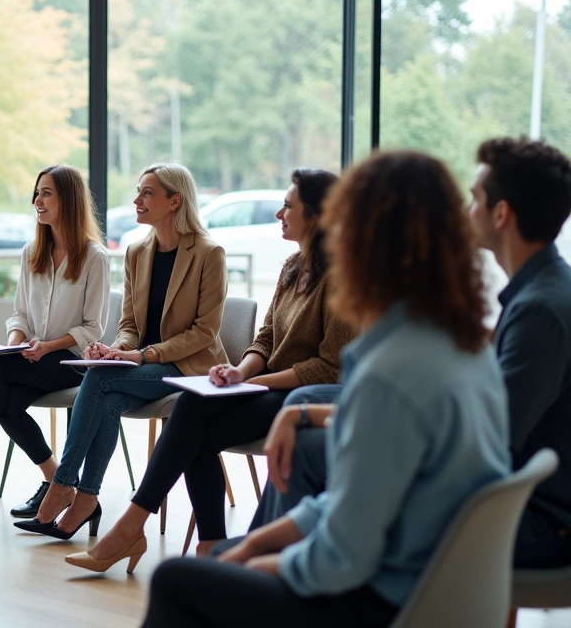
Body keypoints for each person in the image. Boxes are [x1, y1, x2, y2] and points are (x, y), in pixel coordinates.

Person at [140, 149, 511, 627]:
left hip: (381, 599)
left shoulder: (389, 375)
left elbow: (340, 561)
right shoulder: (460, 342)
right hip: (431, 581)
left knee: (176, 579)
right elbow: (355, 500)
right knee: (229, 552)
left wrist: (255, 562)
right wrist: (253, 546)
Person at [226, 136, 571, 569]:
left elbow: (490, 440)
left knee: (304, 447)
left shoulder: (538, 310)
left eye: (475, 199)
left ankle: (268, 570)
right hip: (493, 493)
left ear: (501, 213)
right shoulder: (529, 299)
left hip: (522, 516)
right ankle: (264, 555)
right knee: (303, 417)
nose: (466, 213)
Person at [65, 168, 353, 567]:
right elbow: (265, 339)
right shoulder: (292, 266)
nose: (278, 214)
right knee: (190, 414)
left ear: (318, 217)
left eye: (288, 206)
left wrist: (257, 381)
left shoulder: (343, 277)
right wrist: (239, 372)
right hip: (266, 386)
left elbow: (327, 367)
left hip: (299, 395)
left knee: (190, 427)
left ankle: (132, 528)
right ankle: (206, 547)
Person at [15, 162, 228, 540]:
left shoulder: (209, 253)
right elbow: (130, 323)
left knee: (99, 381)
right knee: (108, 396)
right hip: (143, 365)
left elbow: (204, 332)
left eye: (147, 193)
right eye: (139, 190)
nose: (136, 199)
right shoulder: (136, 252)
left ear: (175, 201)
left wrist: (141, 356)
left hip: (189, 367)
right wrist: (117, 349)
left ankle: (62, 486)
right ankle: (84, 501)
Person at [0, 165, 110, 515]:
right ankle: (57, 483)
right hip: (34, 360)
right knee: (8, 405)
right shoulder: (32, 252)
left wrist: (47, 346)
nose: (37, 200)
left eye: (46, 193)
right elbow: (21, 315)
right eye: (37, 192)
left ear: (69, 200)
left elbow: (94, 328)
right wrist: (16, 340)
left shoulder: (95, 258)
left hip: (73, 362)